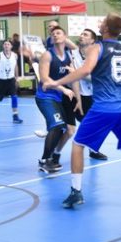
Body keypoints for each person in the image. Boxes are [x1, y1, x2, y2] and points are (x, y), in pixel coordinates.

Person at [44, 13, 121, 210]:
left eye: (102, 22)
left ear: (106, 29)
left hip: (104, 107)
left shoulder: (97, 48)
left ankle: (76, 192)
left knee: (78, 144)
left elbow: (85, 71)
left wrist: (56, 82)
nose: (99, 23)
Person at [35, 26, 80, 173]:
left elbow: (74, 78)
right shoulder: (47, 55)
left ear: (65, 36)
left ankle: (52, 157)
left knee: (64, 129)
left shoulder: (68, 56)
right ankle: (44, 160)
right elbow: (44, 79)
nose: (55, 35)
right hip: (45, 96)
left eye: (58, 33)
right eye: (53, 34)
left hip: (59, 98)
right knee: (56, 125)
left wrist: (78, 99)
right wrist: (63, 88)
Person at [69, 29, 108, 161]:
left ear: (92, 40)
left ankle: (93, 149)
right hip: (75, 95)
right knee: (68, 126)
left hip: (93, 95)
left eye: (85, 35)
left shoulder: (97, 56)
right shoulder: (72, 54)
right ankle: (52, 152)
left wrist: (80, 73)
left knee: (93, 124)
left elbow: (95, 78)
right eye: (81, 34)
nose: (81, 36)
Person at [0, 40, 23, 124]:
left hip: (11, 80)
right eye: (5, 44)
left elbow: (16, 66)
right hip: (0, 80)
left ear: (11, 46)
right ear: (3, 46)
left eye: (8, 44)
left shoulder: (15, 55)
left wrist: (17, 77)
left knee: (14, 97)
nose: (6, 46)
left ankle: (15, 116)